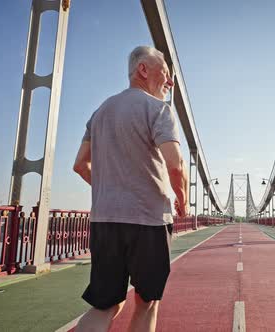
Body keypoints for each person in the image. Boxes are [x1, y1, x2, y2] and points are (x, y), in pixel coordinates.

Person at [73, 46, 189, 332]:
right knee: (147, 302)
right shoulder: (158, 109)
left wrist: (111, 187)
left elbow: (79, 165)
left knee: (106, 305)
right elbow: (175, 165)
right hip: (147, 222)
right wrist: (182, 199)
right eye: (166, 72)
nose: (170, 82)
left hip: (104, 220)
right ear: (143, 70)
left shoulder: (99, 112)